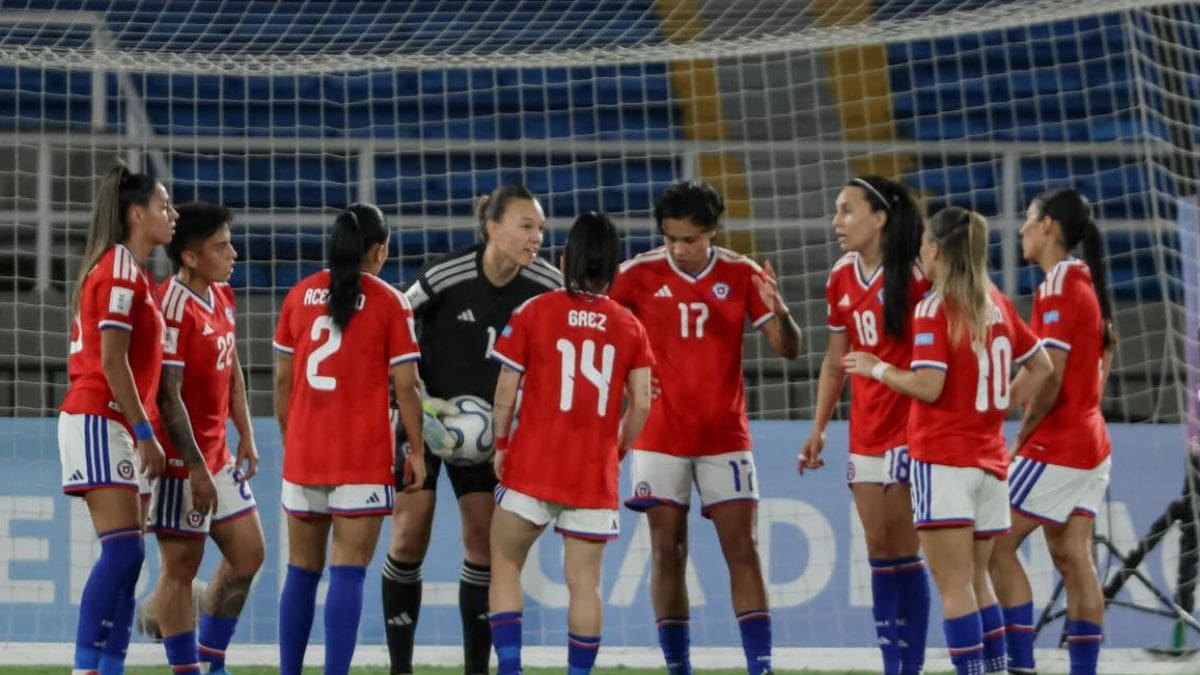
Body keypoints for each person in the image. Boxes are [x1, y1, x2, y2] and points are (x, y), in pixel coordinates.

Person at [841, 206, 1053, 675]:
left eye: (923, 243)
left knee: (954, 586)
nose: (919, 251)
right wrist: (997, 404)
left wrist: (876, 367)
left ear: (936, 249)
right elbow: (1042, 366)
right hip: (989, 460)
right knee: (978, 580)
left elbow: (928, 385)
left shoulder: (935, 307)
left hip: (943, 460)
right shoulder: (997, 302)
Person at [611, 179, 801, 675]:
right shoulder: (635, 275)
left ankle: (760, 666)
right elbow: (602, 336)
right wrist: (628, 381)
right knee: (666, 550)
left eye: (689, 239)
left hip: (724, 436)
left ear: (713, 230)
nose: (679, 248)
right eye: (670, 238)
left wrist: (780, 310)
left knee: (743, 550)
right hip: (658, 435)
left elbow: (788, 349)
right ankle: (679, 668)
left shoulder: (742, 274)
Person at [383, 184, 561, 675]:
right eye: (527, 226)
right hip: (425, 419)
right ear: (493, 228)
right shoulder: (447, 275)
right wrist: (412, 399)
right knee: (408, 535)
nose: (537, 237)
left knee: (482, 543)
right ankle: (400, 669)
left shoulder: (547, 284)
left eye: (541, 228)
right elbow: (393, 321)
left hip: (489, 434)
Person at [487, 211, 654, 675]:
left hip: (532, 465)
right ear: (613, 267)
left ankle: (510, 670)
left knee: (505, 563)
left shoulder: (533, 311)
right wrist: (616, 451)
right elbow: (642, 403)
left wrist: (500, 444)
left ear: (564, 261)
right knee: (585, 584)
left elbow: (505, 391)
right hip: (592, 474)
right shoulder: (630, 326)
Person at [273, 203, 426, 675]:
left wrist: (292, 436)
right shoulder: (390, 302)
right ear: (378, 251)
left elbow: (281, 380)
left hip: (305, 452)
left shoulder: (299, 295)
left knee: (301, 570)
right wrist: (417, 450)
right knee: (348, 570)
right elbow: (407, 386)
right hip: (361, 455)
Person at [798, 176, 931, 674]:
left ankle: (909, 666)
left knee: (905, 550)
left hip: (911, 431)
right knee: (878, 550)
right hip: (865, 432)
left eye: (846, 210)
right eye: (837, 211)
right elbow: (835, 362)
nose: (836, 221)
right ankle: (892, 664)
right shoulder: (840, 276)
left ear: (879, 219)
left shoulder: (917, 275)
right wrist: (819, 428)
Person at [988, 189, 1115, 675]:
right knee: (1072, 556)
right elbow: (1101, 356)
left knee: (992, 542)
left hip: (1058, 444)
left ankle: (1020, 665)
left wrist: (1019, 432)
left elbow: (1050, 373)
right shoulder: (1083, 281)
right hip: (1091, 442)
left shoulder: (1060, 284)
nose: (1021, 228)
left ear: (1047, 227)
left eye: (1028, 218)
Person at [59, 161, 173, 674]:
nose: (171, 214)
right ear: (136, 214)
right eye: (163, 206)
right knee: (124, 554)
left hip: (117, 422)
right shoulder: (121, 268)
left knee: (131, 558)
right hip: (98, 417)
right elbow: (111, 360)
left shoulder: (131, 271)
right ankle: (85, 668)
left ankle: (109, 667)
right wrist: (145, 431)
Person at [145, 202, 265, 674]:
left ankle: (213, 660)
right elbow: (166, 394)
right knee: (181, 567)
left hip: (217, 454)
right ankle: (187, 669)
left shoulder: (222, 295)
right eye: (221, 246)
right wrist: (194, 467)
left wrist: (246, 431)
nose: (233, 254)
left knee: (249, 553)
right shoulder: (172, 307)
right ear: (190, 257)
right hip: (181, 461)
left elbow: (230, 365)